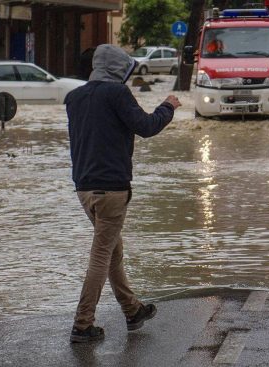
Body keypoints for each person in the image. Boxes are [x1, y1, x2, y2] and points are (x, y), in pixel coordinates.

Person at [65, 44, 181, 343]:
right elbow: (146, 127)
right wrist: (167, 106)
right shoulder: (116, 94)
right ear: (118, 68)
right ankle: (82, 324)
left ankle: (133, 311)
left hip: (84, 188)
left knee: (113, 250)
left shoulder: (75, 97)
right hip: (112, 189)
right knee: (102, 255)